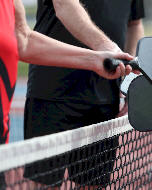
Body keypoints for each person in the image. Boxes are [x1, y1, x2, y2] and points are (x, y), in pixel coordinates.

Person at [0, 0, 134, 188]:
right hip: (52, 95)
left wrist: (94, 59)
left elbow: (23, 39)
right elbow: (64, 4)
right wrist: (103, 47)